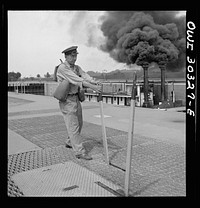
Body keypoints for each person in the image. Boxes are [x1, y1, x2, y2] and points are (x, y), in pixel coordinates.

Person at [56, 46, 101, 160]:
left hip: (76, 98)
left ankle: (69, 141)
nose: (75, 58)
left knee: (79, 124)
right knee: (74, 126)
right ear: (66, 56)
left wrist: (94, 81)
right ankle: (79, 152)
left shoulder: (76, 67)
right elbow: (77, 79)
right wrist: (92, 87)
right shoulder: (62, 68)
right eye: (72, 56)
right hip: (67, 100)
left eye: (76, 55)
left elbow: (84, 75)